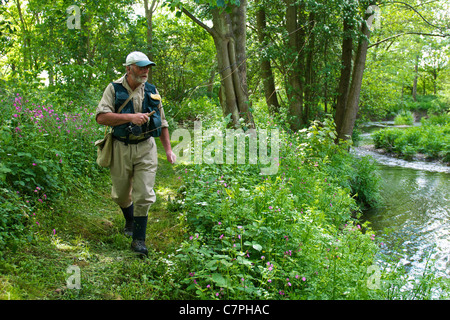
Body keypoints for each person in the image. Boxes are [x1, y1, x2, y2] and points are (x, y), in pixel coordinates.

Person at [96, 51, 176, 256]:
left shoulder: (152, 90)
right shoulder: (113, 89)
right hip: (120, 147)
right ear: (128, 68)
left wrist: (168, 150)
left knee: (144, 194)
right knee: (122, 194)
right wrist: (131, 117)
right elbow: (101, 118)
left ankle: (138, 239)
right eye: (141, 67)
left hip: (146, 149)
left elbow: (163, 123)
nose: (145, 70)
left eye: (147, 66)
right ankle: (130, 219)